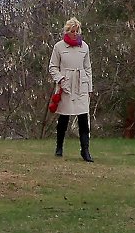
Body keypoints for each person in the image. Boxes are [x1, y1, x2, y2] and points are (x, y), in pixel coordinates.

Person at [48, 17, 94, 162]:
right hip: (66, 85)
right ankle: (59, 147)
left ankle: (85, 150)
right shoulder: (59, 47)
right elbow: (53, 67)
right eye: (72, 31)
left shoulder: (84, 47)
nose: (75, 34)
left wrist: (89, 88)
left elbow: (88, 68)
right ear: (67, 32)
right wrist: (60, 79)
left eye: (77, 31)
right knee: (64, 117)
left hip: (81, 85)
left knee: (83, 118)